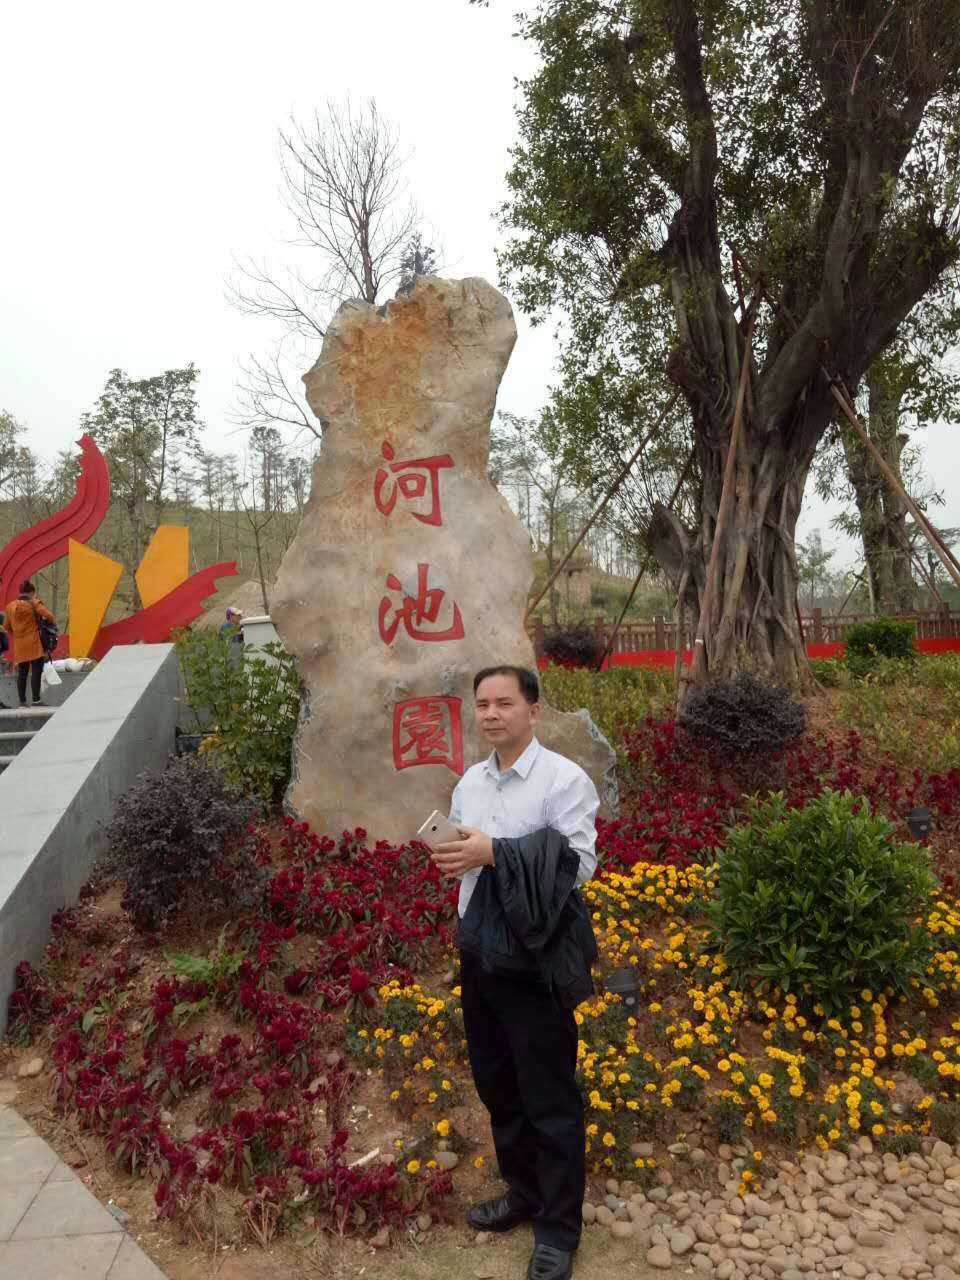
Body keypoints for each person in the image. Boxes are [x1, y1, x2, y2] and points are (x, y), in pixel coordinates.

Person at [432, 665, 599, 1280]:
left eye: (505, 703)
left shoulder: (563, 779)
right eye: (483, 704)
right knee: (497, 1084)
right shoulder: (471, 782)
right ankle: (524, 1192)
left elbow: (580, 864)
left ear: (533, 710)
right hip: (480, 952)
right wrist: (458, 855)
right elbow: (469, 856)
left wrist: (495, 852)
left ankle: (558, 1228)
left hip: (536, 958)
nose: (492, 714)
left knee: (548, 1096)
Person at [4, 580, 56, 708]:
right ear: (32, 592)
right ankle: (36, 700)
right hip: (34, 643)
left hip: (19, 644)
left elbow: (6, 626)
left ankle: (22, 702)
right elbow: (50, 616)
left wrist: (17, 635)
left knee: (22, 673)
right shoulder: (34, 603)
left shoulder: (10, 607)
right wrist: (41, 622)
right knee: (36, 671)